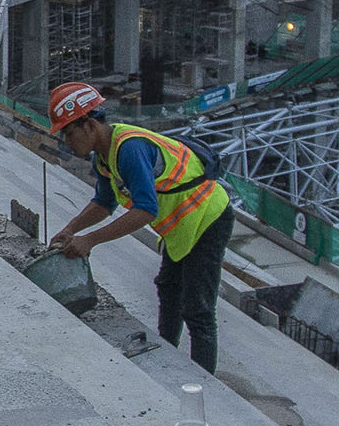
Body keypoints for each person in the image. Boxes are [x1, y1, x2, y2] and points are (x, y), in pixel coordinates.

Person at [44, 80, 234, 375]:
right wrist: (72, 229)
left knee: (198, 309)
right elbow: (105, 203)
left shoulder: (129, 149)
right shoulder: (104, 159)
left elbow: (145, 210)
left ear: (90, 126)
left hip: (209, 216)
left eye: (69, 133)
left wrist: (89, 241)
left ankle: (205, 385)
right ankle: (167, 355)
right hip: (184, 225)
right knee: (169, 288)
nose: (67, 142)